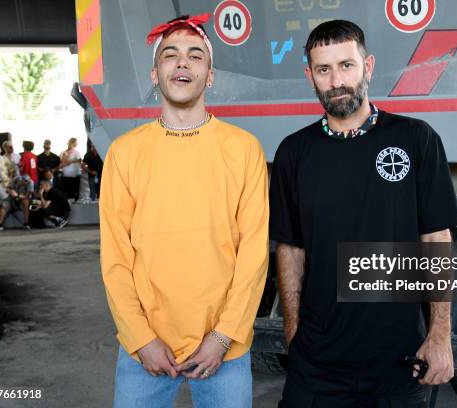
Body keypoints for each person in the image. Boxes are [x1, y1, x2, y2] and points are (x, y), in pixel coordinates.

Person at [270, 20, 457, 407]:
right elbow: (290, 250)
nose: (336, 80)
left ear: (368, 66)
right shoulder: (293, 152)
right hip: (318, 364)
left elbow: (435, 240)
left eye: (346, 65)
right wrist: (293, 333)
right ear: (310, 76)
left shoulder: (415, 139)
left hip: (399, 363)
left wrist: (440, 335)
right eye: (324, 70)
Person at [99, 13, 269, 408]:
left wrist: (223, 335)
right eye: (170, 55)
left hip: (223, 349)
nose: (182, 62)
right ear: (155, 74)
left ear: (209, 76)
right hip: (145, 350)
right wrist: (141, 338)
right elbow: (116, 261)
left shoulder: (243, 150)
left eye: (195, 55)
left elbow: (254, 254)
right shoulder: (124, 154)